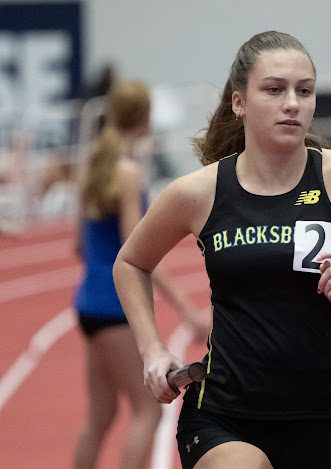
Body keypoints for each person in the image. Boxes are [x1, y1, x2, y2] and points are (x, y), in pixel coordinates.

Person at [112, 31, 331, 469]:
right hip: (224, 413)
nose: (292, 103)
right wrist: (152, 348)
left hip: (323, 418)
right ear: (239, 102)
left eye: (305, 90)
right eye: (274, 90)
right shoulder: (199, 192)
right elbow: (130, 261)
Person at [72, 80, 209, 469]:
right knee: (148, 412)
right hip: (116, 307)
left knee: (100, 416)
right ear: (146, 120)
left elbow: (77, 246)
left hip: (88, 303)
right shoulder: (128, 172)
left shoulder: (91, 168)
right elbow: (136, 252)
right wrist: (188, 309)